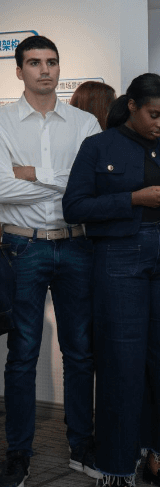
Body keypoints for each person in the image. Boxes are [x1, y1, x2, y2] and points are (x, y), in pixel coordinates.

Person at [63, 73, 160, 487]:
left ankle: (157, 458)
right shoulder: (98, 146)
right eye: (154, 115)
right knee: (122, 364)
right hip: (120, 257)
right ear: (133, 107)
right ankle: (117, 469)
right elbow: (74, 207)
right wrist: (134, 199)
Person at [0, 36, 101, 487]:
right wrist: (64, 182)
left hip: (77, 245)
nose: (45, 69)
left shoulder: (84, 123)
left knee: (80, 352)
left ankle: (82, 445)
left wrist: (32, 174)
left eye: (52, 62)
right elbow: (1, 189)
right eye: (34, 62)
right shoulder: (1, 122)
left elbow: (92, 185)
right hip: (22, 246)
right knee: (22, 355)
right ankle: (18, 454)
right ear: (18, 70)